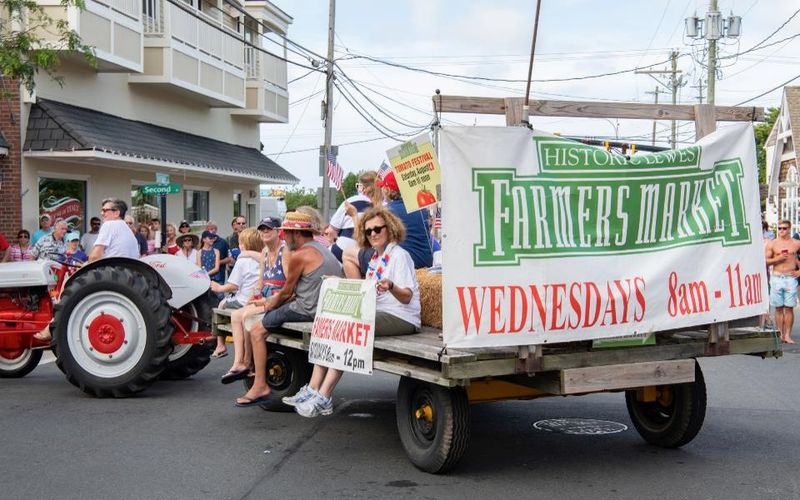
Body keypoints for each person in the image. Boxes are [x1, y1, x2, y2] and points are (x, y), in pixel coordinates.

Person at [288, 207, 421, 418]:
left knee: (348, 327)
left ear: (391, 228)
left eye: (378, 228)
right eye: (369, 231)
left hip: (402, 316)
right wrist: (337, 283)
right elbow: (365, 291)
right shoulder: (376, 260)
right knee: (331, 324)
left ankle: (324, 396)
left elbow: (406, 297)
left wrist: (391, 285)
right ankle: (312, 390)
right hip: (380, 311)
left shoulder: (399, 256)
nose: (374, 234)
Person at [233, 212, 342, 407]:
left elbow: (285, 293)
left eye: (286, 233)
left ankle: (259, 385)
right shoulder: (324, 249)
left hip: (306, 309)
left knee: (256, 329)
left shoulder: (299, 255)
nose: (284, 237)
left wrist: (266, 305)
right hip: (324, 307)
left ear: (295, 234)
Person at [219, 217, 288, 380]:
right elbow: (260, 282)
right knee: (237, 315)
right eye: (262, 229)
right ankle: (238, 362)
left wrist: (268, 299)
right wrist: (254, 296)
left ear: (279, 231)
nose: (264, 232)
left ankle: (247, 363)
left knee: (245, 315)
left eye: (268, 229)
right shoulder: (264, 252)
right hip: (265, 294)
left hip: (278, 297)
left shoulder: (284, 252)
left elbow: (289, 284)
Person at [210, 228, 263, 358]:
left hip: (243, 301)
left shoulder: (242, 261)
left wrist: (219, 288)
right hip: (257, 299)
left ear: (244, 245)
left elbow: (233, 285)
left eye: (240, 243)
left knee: (221, 304)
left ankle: (220, 344)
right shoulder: (262, 258)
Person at [376, 171, 433, 268]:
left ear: (388, 190)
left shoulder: (386, 212)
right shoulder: (421, 209)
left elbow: (377, 242)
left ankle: (368, 283)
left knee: (349, 254)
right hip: (426, 261)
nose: (382, 189)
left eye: (383, 187)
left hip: (403, 263)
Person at [328, 171, 380, 261]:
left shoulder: (351, 202)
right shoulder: (382, 207)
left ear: (363, 188)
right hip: (370, 255)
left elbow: (331, 230)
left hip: (343, 250)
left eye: (358, 185)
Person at [765, 219, 800, 344]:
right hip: (777, 277)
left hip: (790, 278)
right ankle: (780, 334)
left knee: (789, 308)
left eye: (784, 228)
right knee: (779, 308)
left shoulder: (796, 243)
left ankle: (787, 335)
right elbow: (766, 260)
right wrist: (778, 258)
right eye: (779, 228)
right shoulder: (772, 244)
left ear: (789, 229)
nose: (781, 231)